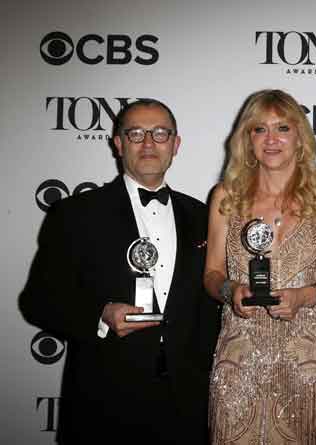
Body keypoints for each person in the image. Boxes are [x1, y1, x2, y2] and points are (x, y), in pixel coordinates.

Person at [19, 99, 219, 444]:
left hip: (187, 406)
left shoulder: (204, 216)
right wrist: (100, 314)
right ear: (118, 143)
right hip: (104, 402)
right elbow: (38, 300)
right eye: (136, 133)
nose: (148, 144)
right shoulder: (76, 214)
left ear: (176, 144)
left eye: (159, 134)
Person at [204, 89, 316, 445]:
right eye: (259, 129)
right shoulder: (226, 196)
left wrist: (307, 295)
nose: (271, 139)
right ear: (247, 139)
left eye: (283, 128)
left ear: (300, 137)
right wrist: (230, 291)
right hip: (239, 355)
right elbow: (211, 274)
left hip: (304, 356)